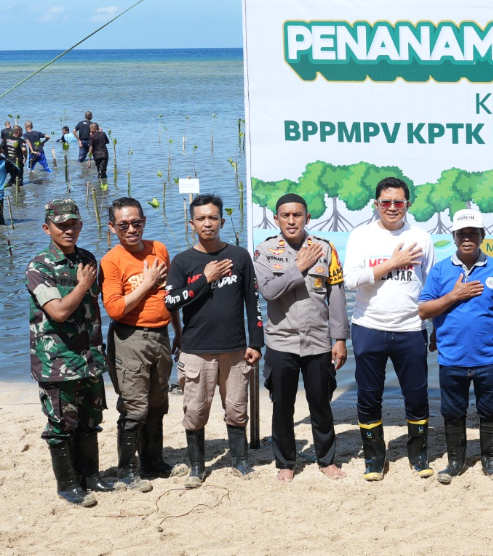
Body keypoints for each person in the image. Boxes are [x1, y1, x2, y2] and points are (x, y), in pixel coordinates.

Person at [164, 194, 263, 488]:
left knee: (236, 409)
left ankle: (240, 461)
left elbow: (253, 303)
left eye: (213, 218)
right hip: (196, 351)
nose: (208, 223)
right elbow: (171, 302)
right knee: (195, 412)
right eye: (201, 219)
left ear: (221, 220)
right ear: (191, 223)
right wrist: (204, 279)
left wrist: (256, 343)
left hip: (234, 350)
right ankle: (197, 467)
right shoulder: (183, 262)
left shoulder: (240, 256)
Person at [344, 177, 436, 480]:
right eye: (386, 202)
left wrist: (435, 326)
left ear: (408, 204)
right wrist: (392, 263)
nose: (392, 208)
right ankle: (374, 458)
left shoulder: (421, 237)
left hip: (410, 328)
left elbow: (431, 286)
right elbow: (350, 280)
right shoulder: (361, 236)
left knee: (417, 395)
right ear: (376, 204)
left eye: (399, 202)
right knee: (369, 395)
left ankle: (418, 455)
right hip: (368, 326)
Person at [253, 193, 349, 482]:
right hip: (281, 342)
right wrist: (299, 267)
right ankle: (285, 462)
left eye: (297, 215)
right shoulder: (265, 251)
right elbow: (268, 291)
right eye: (285, 215)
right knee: (283, 406)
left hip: (319, 342)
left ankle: (326, 460)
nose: (291, 220)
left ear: (307, 218)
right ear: (276, 218)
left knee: (321, 404)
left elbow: (336, 295)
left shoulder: (325, 248)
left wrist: (340, 338)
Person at [27, 199, 114, 507]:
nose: (68, 230)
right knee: (61, 424)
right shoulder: (39, 267)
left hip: (89, 357)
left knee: (90, 418)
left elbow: (100, 304)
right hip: (57, 361)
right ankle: (67, 484)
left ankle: (91, 477)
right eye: (61, 225)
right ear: (47, 228)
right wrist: (81, 285)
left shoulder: (88, 259)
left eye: (73, 224)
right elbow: (60, 312)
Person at [418, 209, 493, 484]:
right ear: (454, 236)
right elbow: (424, 310)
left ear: (483, 236)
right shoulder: (440, 271)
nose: (467, 238)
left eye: (473, 233)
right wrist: (453, 295)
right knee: (452, 412)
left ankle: (492, 462)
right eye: (462, 233)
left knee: (491, 410)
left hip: (489, 358)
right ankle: (455, 462)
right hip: (452, 358)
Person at [101, 197, 186, 491]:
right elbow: (114, 309)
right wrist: (147, 283)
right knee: (135, 407)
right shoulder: (111, 261)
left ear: (144, 222)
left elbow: (170, 294)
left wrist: (178, 329)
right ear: (112, 228)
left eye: (136, 222)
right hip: (129, 338)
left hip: (161, 335)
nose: (131, 229)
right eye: (123, 225)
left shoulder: (158, 249)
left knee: (158, 403)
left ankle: (154, 463)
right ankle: (127, 471)